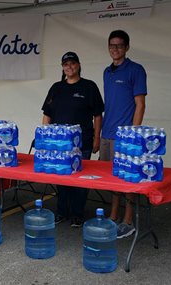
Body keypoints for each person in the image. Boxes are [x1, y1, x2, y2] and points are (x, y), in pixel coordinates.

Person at [41, 51, 104, 227]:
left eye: (72, 63)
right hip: (59, 145)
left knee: (79, 180)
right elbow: (47, 115)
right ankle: (61, 212)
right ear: (62, 67)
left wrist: (96, 138)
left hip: (82, 142)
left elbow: (98, 115)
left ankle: (77, 214)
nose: (69, 67)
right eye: (66, 64)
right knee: (61, 179)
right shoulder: (56, 88)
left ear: (79, 65)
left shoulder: (89, 87)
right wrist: (45, 139)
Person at [100, 30, 147, 238]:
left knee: (127, 180)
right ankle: (113, 216)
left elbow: (140, 105)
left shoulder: (136, 70)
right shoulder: (106, 72)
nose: (115, 49)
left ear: (127, 47)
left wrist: (133, 136)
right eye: (112, 45)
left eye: (119, 45)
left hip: (125, 137)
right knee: (112, 179)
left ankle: (128, 221)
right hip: (107, 134)